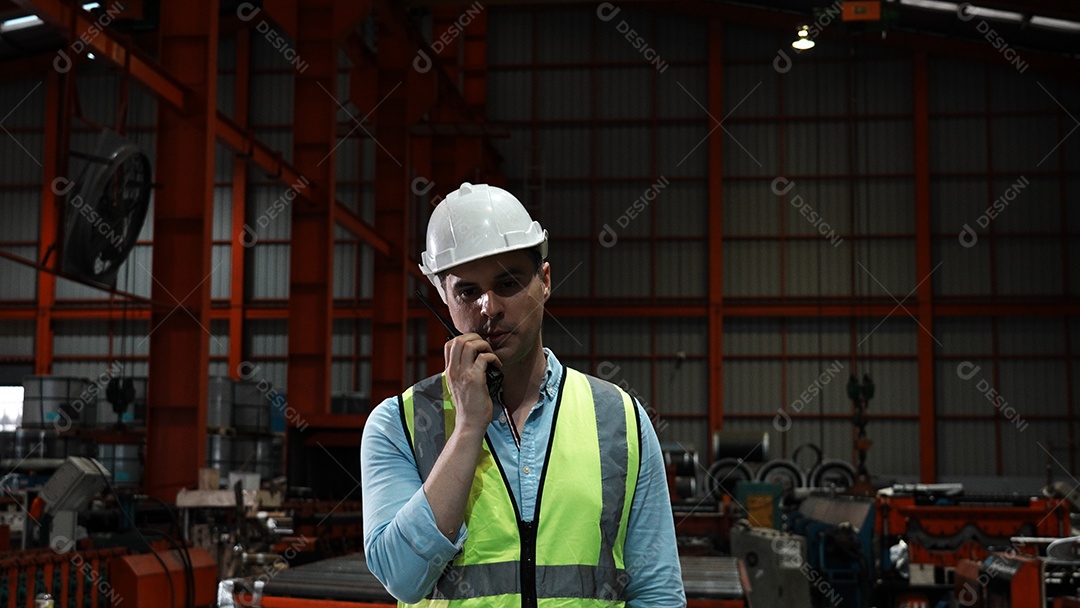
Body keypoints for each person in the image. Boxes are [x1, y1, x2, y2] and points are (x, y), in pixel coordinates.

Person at [361, 182, 685, 607]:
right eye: (467, 291)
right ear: (444, 296)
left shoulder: (619, 419)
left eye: (508, 282)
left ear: (545, 281)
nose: (488, 307)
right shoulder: (398, 425)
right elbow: (401, 577)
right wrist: (468, 428)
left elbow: (656, 591)